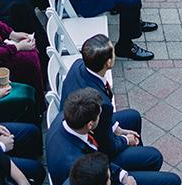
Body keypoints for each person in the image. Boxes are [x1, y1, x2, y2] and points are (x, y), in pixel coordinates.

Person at [45, 89, 179, 185]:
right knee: (170, 181)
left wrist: (123, 175)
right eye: (99, 116)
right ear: (90, 124)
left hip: (98, 170)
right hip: (93, 183)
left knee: (133, 118)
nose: (101, 117)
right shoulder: (73, 163)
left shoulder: (68, 116)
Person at [60, 34, 162, 174]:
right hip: (97, 149)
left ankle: (137, 155)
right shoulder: (103, 103)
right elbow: (108, 147)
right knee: (154, 157)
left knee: (133, 116)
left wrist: (117, 129)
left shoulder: (78, 64)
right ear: (108, 63)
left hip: (86, 122)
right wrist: (126, 139)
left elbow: (104, 124)